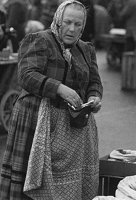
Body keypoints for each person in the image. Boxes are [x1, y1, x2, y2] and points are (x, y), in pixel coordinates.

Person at [0, 0, 103, 199]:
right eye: (68, 22)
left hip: (72, 127)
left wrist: (94, 96)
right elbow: (27, 75)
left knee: (64, 187)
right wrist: (59, 88)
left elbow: (94, 81)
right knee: (31, 186)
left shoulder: (86, 49)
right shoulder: (39, 40)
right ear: (58, 20)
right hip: (36, 118)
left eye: (78, 24)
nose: (72, 29)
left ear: (83, 26)